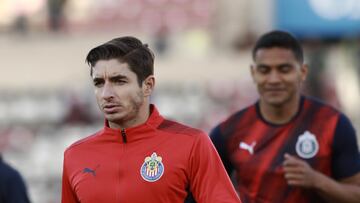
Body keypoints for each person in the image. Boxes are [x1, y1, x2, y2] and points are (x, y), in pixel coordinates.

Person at [61, 36, 241, 203]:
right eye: (99, 83)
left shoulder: (192, 143)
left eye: (119, 81)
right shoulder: (75, 155)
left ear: (148, 86)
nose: (106, 94)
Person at [210, 30, 360, 203]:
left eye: (284, 69)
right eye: (264, 70)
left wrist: (317, 181)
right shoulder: (228, 131)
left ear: (302, 72)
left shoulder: (332, 124)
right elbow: (201, 192)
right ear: (253, 73)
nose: (274, 79)